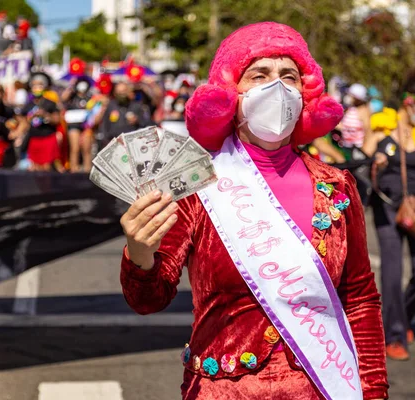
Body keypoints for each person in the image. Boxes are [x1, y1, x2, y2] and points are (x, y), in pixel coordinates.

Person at [119, 22, 388, 399]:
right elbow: (149, 299)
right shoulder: (197, 185)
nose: (276, 87)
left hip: (324, 388)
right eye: (259, 74)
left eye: (289, 76)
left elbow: (359, 298)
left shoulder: (336, 186)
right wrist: (140, 251)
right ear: (231, 93)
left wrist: (373, 392)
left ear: (305, 93)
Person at [368, 64, 415, 361]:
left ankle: (404, 314)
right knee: (392, 270)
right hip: (386, 205)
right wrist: (376, 160)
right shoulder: (384, 125)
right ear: (410, 103)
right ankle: (395, 334)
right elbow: (366, 153)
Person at [16, 73, 61, 171]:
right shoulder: (28, 105)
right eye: (34, 85)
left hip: (48, 138)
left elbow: (57, 119)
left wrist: (45, 115)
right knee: (35, 168)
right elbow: (23, 122)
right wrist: (18, 134)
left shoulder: (50, 103)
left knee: (47, 167)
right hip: (34, 139)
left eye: (40, 85)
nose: (37, 88)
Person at [99, 82, 152, 147]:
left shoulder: (136, 105)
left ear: (128, 92)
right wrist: (106, 141)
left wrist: (137, 120)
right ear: (115, 93)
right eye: (119, 92)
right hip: (113, 141)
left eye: (123, 91)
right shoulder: (111, 106)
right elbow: (104, 125)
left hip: (132, 142)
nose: (121, 94)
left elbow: (147, 123)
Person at [62, 77, 93, 172]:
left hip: (86, 125)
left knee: (87, 149)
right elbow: (63, 98)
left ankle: (88, 170)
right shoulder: (72, 96)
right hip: (73, 124)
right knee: (75, 148)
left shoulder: (90, 97)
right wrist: (70, 86)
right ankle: (74, 170)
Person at [339, 83, 371, 150]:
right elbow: (344, 127)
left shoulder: (363, 110)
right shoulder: (349, 109)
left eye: (351, 95)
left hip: (358, 149)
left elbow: (368, 131)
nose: (349, 96)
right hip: (346, 146)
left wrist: (364, 150)